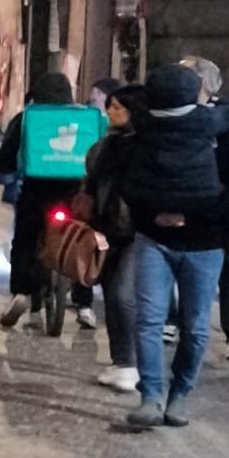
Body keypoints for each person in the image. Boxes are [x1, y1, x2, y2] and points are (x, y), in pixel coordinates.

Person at [120, 64, 229, 427]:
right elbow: (130, 179)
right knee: (150, 319)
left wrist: (186, 214)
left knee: (195, 325)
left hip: (204, 240)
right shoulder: (202, 123)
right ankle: (152, 397)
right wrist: (160, 215)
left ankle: (179, 397)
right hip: (155, 237)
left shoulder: (221, 132)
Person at [0, 72, 83, 328]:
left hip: (36, 192)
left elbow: (7, 156)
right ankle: (84, 301)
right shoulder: (83, 118)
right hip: (74, 194)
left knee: (24, 241)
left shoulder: (27, 119)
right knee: (80, 241)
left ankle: (20, 292)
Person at [81, 84, 143, 392]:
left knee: (122, 295)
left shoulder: (146, 147)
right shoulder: (105, 146)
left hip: (136, 232)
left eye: (119, 107)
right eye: (111, 106)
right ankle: (122, 362)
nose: (111, 112)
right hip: (106, 229)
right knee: (112, 296)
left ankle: (131, 365)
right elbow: (91, 182)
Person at [180, 58, 229, 362]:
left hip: (221, 202)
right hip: (186, 198)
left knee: (228, 266)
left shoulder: (226, 116)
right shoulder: (172, 114)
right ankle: (175, 320)